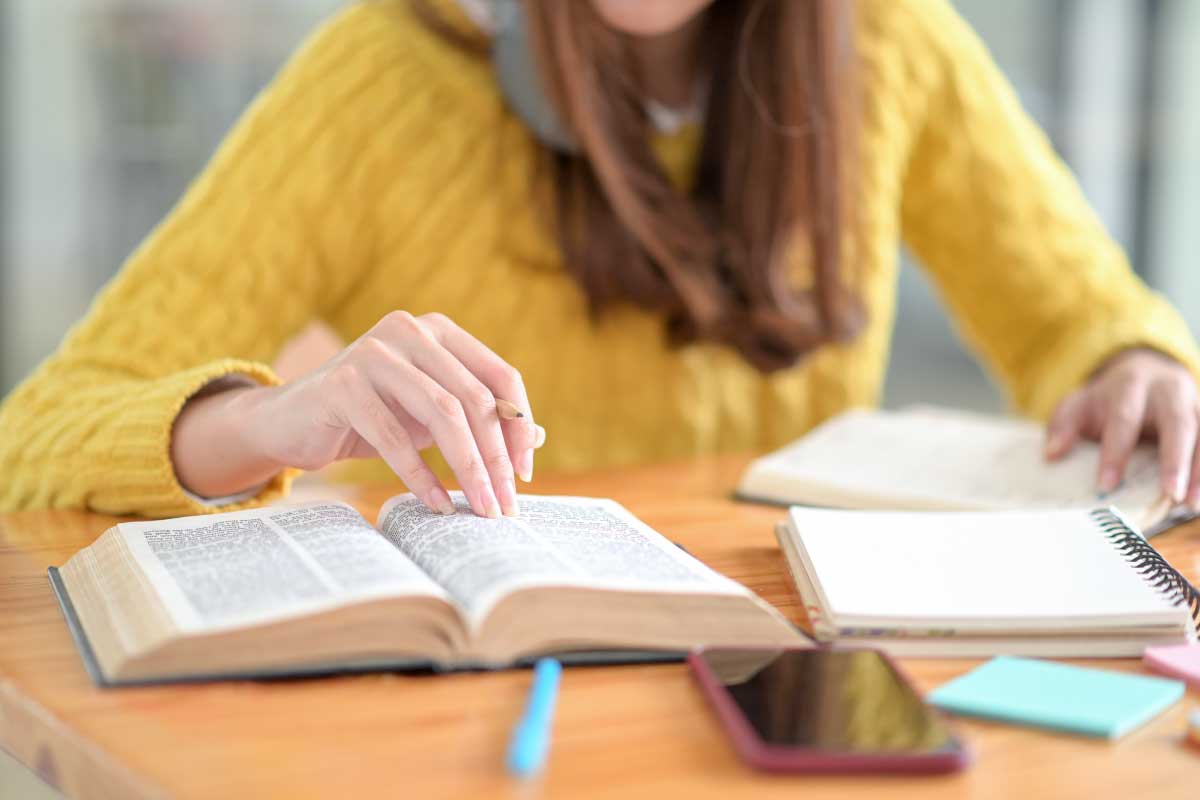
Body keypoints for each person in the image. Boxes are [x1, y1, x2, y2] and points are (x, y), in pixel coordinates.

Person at [1, 0, 1198, 520]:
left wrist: (1135, 364)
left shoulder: (890, 44)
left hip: (797, 699)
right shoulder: (382, 79)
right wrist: (266, 421)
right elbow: (37, 439)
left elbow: (1084, 319)